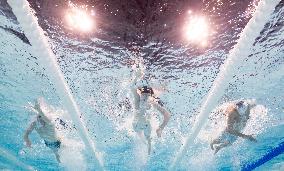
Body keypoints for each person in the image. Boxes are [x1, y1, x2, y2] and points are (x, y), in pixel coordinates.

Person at [130, 68, 170, 155]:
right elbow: (167, 115)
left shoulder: (141, 101)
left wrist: (136, 77)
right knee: (147, 140)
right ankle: (147, 149)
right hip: (143, 124)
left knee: (145, 138)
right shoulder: (150, 101)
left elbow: (133, 88)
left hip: (137, 124)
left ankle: (147, 147)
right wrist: (161, 128)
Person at [23, 98, 61, 162]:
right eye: (38, 118)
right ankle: (57, 156)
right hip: (48, 143)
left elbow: (44, 118)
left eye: (42, 118)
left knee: (62, 150)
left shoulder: (49, 124)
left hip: (57, 142)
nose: (40, 120)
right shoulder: (35, 123)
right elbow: (25, 134)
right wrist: (27, 140)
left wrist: (38, 109)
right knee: (56, 153)